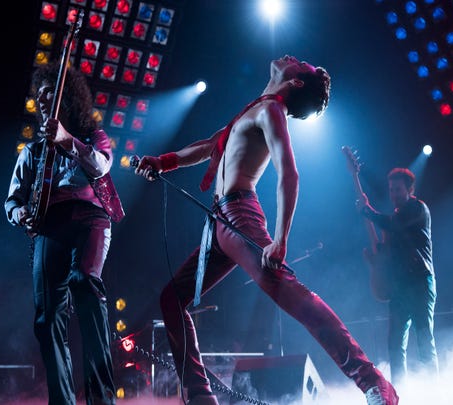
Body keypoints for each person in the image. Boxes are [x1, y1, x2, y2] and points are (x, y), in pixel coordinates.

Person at [134, 55, 398, 405]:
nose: (292, 57)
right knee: (172, 298)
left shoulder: (271, 111)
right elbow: (206, 147)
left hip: (240, 214)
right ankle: (199, 395)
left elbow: (289, 172)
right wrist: (163, 162)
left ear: (296, 82)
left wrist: (281, 239)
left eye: (300, 63)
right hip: (218, 223)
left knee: (292, 294)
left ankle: (374, 383)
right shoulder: (253, 109)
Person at [4, 62, 124, 405]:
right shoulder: (33, 152)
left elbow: (101, 166)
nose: (42, 100)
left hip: (91, 220)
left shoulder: (93, 137)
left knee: (85, 283)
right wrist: (19, 212)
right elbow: (11, 199)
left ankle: (101, 399)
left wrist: (65, 139)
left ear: (66, 98)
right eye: (39, 95)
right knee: (47, 317)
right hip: (49, 227)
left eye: (49, 94)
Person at [356, 168, 438, 385]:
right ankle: (399, 392)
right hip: (400, 288)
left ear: (410, 190)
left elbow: (395, 224)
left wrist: (368, 211)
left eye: (398, 189)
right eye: (391, 190)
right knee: (394, 345)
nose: (394, 194)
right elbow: (389, 247)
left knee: (423, 341)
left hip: (420, 283)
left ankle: (434, 393)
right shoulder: (394, 218)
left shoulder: (417, 209)